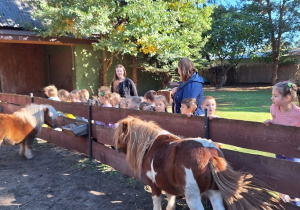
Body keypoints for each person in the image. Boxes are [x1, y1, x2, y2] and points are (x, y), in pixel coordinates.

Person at [263, 81, 300, 206]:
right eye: (272, 95)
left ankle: (294, 199)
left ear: (287, 98)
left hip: (293, 150)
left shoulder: (298, 114)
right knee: (280, 170)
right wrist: (270, 122)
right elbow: (277, 121)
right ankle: (282, 195)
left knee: (293, 173)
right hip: (278, 148)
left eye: (275, 95)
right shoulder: (273, 109)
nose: (272, 98)